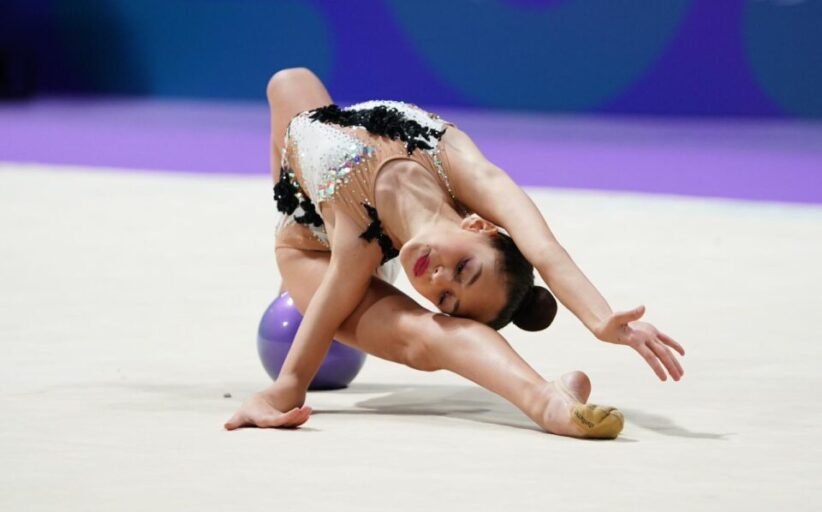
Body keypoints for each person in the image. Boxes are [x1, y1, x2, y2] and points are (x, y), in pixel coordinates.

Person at [224, 68, 685, 439]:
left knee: (428, 335)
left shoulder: (357, 242)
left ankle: (548, 401)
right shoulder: (459, 164)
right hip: (310, 246)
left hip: (338, 254)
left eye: (446, 299)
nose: (437, 280)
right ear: (479, 224)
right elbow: (542, 248)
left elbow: (320, 326)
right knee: (289, 80)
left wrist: (283, 389)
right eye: (464, 268)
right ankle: (299, 247)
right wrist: (601, 319)